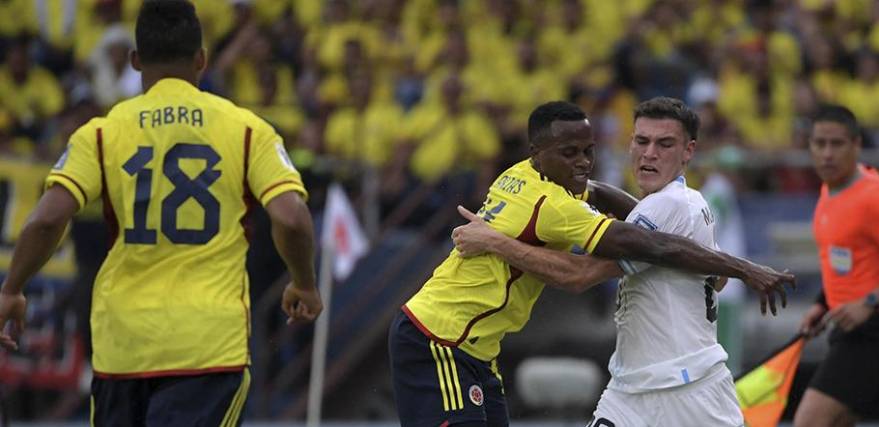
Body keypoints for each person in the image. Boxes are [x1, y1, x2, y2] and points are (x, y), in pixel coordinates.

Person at [0, 1, 323, 425]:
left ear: (136, 61)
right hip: (209, 347)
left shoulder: (101, 132)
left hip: (123, 347)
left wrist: (12, 289)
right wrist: (303, 283)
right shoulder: (247, 130)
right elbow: (292, 217)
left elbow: (46, 219)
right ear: (202, 59)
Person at [389, 100, 794, 426]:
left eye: (664, 144)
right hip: (444, 338)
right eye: (641, 142)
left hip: (684, 385)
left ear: (689, 151)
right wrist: (739, 267)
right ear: (539, 154)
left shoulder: (530, 176)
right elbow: (633, 244)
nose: (582, 162)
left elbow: (614, 243)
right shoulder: (564, 203)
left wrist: (495, 240)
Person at [793, 105, 879, 427]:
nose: (827, 153)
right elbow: (847, 262)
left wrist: (868, 303)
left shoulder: (874, 196)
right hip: (846, 327)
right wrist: (822, 304)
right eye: (819, 143)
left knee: (809, 422)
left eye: (837, 144)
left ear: (856, 145)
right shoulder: (830, 188)